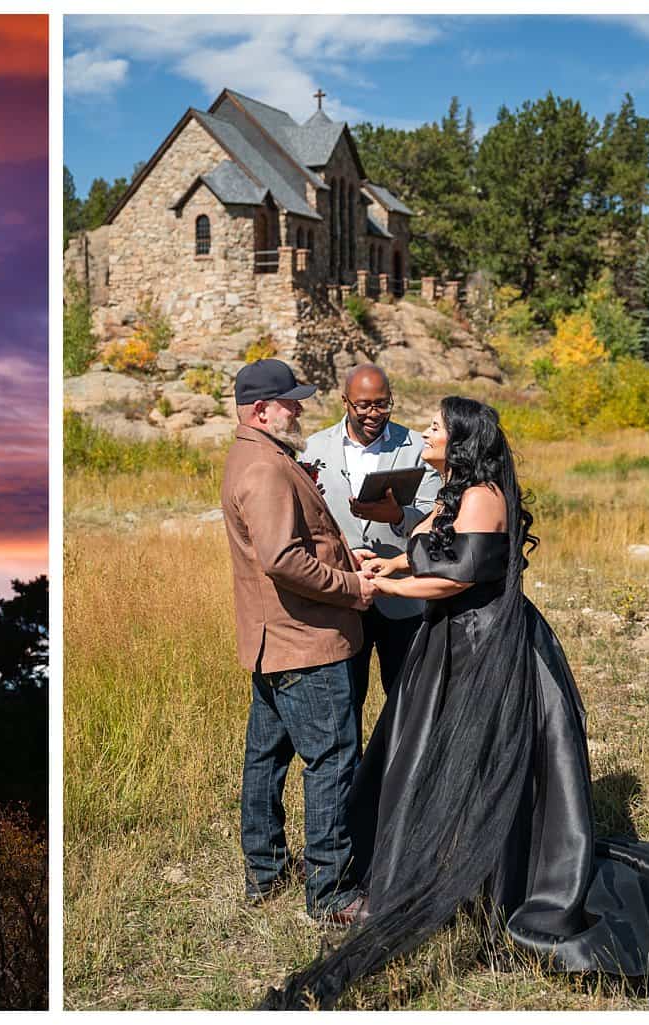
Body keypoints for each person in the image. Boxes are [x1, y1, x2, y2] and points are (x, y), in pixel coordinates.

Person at [262, 397, 649, 1009]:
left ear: (460, 441)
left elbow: (458, 578)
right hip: (449, 643)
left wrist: (378, 586)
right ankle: (425, 870)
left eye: (435, 427)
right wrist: (392, 556)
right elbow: (432, 549)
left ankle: (500, 880)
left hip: (489, 646)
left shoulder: (483, 496)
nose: (424, 433)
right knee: (426, 757)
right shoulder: (451, 489)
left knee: (486, 762)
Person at [220, 359, 376, 926]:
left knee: (266, 759)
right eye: (290, 402)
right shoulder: (264, 468)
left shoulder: (257, 454)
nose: (300, 409)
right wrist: (352, 585)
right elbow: (283, 559)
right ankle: (331, 894)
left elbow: (299, 541)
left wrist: (339, 550)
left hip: (276, 642)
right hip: (306, 644)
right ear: (261, 411)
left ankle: (265, 874)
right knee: (332, 762)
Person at [303, 364, 440, 711]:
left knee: (409, 699)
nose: (373, 414)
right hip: (341, 593)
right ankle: (352, 768)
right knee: (344, 700)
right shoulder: (312, 448)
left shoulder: (416, 447)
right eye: (363, 405)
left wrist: (396, 516)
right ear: (344, 401)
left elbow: (435, 517)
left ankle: (403, 765)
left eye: (382, 404)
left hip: (405, 595)